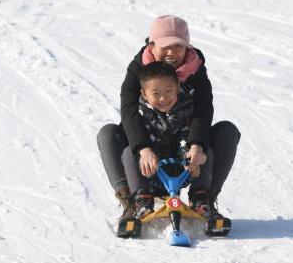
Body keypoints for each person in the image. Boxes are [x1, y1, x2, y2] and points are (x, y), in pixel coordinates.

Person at [97, 14, 240, 220]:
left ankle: (203, 199)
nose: (171, 52)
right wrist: (143, 148)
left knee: (227, 130)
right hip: (147, 154)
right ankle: (133, 200)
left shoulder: (195, 68)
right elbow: (128, 110)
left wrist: (197, 145)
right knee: (108, 133)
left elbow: (203, 109)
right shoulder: (138, 68)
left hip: (183, 151)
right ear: (152, 45)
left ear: (188, 47)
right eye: (165, 46)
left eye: (178, 46)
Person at [126, 61, 215, 218]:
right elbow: (139, 138)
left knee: (203, 150)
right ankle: (141, 201)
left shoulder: (186, 111)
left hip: (178, 173)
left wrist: (190, 161)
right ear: (144, 94)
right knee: (130, 151)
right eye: (156, 94)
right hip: (150, 171)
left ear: (178, 89)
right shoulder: (140, 115)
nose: (163, 98)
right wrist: (145, 153)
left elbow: (185, 137)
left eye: (169, 91)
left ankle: (201, 200)